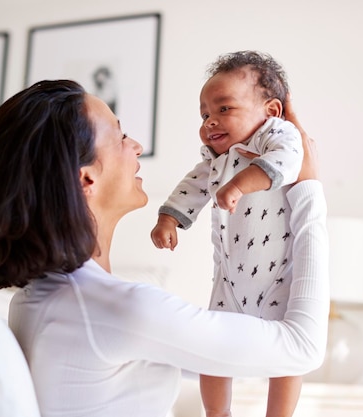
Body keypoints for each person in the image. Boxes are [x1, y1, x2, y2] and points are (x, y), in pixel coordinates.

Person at [0, 79, 329, 417]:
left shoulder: (43, 299)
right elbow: (303, 349)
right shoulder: (115, 309)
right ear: (85, 180)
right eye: (119, 135)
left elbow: (196, 352)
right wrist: (307, 188)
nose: (135, 145)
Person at [151, 51, 304, 417]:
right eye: (204, 114)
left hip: (278, 272)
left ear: (271, 111)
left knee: (288, 354)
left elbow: (287, 161)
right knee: (211, 349)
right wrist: (168, 219)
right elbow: (191, 187)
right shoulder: (214, 160)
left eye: (224, 109)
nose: (210, 122)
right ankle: (217, 413)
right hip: (231, 280)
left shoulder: (277, 137)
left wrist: (239, 184)